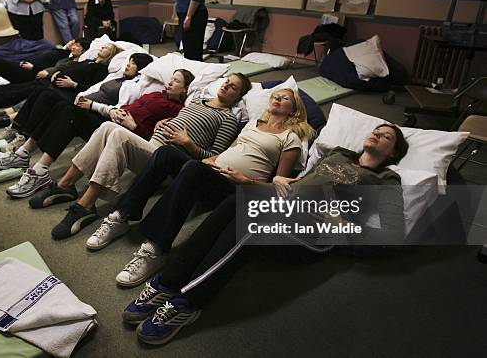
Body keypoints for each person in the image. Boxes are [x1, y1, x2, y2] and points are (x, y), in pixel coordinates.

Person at [124, 124, 408, 345]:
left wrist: (342, 222)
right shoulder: (339, 154)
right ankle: (169, 282)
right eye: (376, 130)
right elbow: (298, 184)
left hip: (312, 235)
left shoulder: (386, 179)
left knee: (257, 221)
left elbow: (392, 235)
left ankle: (190, 301)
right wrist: (277, 179)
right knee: (237, 199)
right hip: (283, 203)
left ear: (393, 153)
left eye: (386, 137)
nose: (376, 135)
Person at [96, 89, 314, 287]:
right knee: (167, 153)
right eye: (276, 95)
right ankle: (122, 215)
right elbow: (228, 152)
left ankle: (155, 249)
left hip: (236, 188)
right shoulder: (253, 123)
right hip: (213, 173)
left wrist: (246, 180)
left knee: (192, 168)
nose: (277, 98)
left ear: (294, 109)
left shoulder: (290, 138)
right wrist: (208, 162)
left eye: (285, 98)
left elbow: (279, 186)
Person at [33, 73, 252, 240]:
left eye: (233, 86)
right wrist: (160, 124)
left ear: (238, 96)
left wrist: (188, 143)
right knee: (108, 127)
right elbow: (175, 120)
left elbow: (213, 158)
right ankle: (65, 184)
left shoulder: (228, 119)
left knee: (118, 134)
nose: (226, 85)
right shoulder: (195, 102)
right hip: (151, 144)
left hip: (171, 162)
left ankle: (85, 205)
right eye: (227, 81)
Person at [0, 59, 195, 201]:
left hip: (126, 135)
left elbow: (154, 142)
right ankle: (24, 152)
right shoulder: (154, 95)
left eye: (176, 81)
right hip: (111, 120)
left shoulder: (178, 111)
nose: (170, 82)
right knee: (61, 104)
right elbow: (124, 108)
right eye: (171, 78)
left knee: (71, 113)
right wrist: (114, 111)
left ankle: (40, 171)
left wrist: (134, 126)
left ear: (185, 89)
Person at [0, 40, 90, 115]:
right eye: (74, 43)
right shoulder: (64, 54)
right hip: (31, 70)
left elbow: (55, 73)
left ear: (84, 51)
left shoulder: (75, 62)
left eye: (77, 45)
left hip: (35, 75)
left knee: (8, 91)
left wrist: (35, 68)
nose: (73, 45)